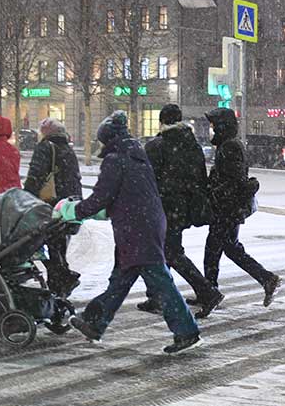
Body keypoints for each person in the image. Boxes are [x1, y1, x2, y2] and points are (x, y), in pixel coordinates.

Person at [56, 111, 200, 354]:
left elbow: (101, 197)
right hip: (146, 223)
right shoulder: (136, 154)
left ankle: (187, 331)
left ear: (108, 140)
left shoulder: (116, 160)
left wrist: (73, 211)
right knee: (121, 280)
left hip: (137, 228)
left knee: (160, 280)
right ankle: (94, 323)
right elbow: (124, 195)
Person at [137, 104, 224, 318]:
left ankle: (207, 291)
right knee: (166, 251)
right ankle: (158, 295)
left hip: (163, 207)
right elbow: (199, 176)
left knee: (169, 252)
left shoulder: (157, 145)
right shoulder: (191, 143)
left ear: (162, 121)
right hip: (182, 208)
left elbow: (146, 179)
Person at [202, 107, 280, 306]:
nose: (211, 130)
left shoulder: (229, 147)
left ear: (222, 127)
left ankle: (210, 292)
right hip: (228, 208)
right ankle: (266, 279)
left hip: (227, 209)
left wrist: (215, 190)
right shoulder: (228, 145)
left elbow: (234, 180)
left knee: (216, 249)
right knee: (228, 248)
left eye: (214, 126)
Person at [22, 117, 82, 297]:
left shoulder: (45, 147)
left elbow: (36, 175)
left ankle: (61, 280)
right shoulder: (67, 148)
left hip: (50, 203)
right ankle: (61, 281)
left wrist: (26, 197)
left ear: (46, 132)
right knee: (58, 245)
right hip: (69, 204)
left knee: (39, 243)